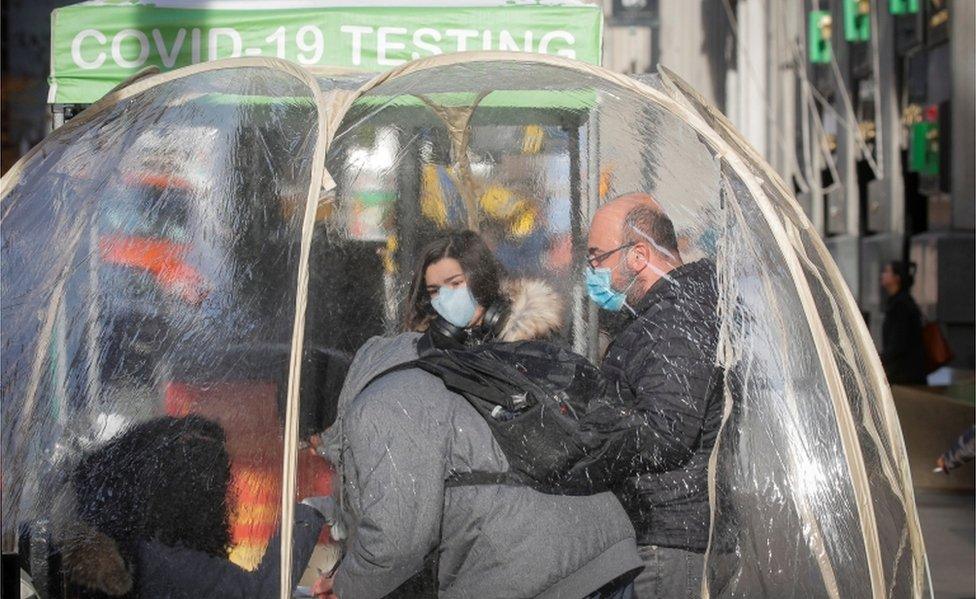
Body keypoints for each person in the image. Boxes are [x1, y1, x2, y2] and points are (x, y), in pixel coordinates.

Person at [317, 230, 642, 599]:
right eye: (434, 292)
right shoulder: (433, 373)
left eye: (454, 284)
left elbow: (397, 542)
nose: (445, 302)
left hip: (539, 566)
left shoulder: (391, 399)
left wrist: (346, 588)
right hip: (595, 545)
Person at [582, 193, 723, 598]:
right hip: (658, 529)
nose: (592, 271)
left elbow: (667, 430)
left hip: (667, 535)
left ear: (638, 255)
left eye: (597, 257)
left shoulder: (676, 318)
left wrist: (586, 434)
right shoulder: (662, 314)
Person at [55, 415, 330, 598]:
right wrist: (310, 511)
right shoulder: (158, 561)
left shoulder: (134, 546)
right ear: (192, 493)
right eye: (220, 485)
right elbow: (264, 593)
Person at [879, 261, 927, 385]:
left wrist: (879, 360)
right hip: (904, 372)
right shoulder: (900, 302)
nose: (882, 275)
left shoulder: (901, 305)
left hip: (905, 375)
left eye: (887, 271)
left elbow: (898, 343)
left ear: (897, 278)